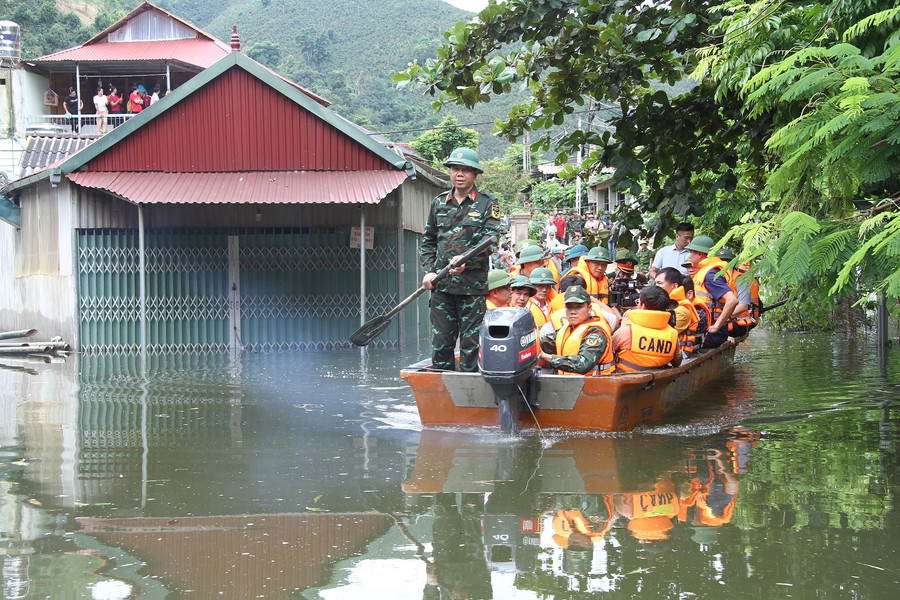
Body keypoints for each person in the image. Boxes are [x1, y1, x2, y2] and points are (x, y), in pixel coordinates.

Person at [421, 147, 500, 372]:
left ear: (475, 174)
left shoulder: (487, 203)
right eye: (456, 169)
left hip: (472, 289)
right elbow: (428, 241)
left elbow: (491, 241)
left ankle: (470, 396)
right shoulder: (438, 203)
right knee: (441, 345)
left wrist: (468, 261)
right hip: (442, 287)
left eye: (466, 170)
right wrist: (429, 271)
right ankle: (442, 398)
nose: (460, 174)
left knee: (471, 346)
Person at [539, 286, 615, 375]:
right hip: (570, 384)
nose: (573, 312)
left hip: (594, 385)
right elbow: (545, 342)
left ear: (589, 309)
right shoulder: (567, 328)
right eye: (569, 307)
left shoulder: (596, 332)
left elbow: (583, 364)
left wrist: (546, 357)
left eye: (579, 307)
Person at [612, 285, 682, 372]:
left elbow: (609, 354)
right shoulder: (673, 334)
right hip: (658, 380)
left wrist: (622, 327)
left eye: (638, 302)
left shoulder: (626, 331)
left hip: (625, 380)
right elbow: (677, 362)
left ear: (643, 306)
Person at [688, 235, 739, 349]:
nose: (689, 256)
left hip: (710, 334)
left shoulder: (710, 275)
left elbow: (732, 300)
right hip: (704, 329)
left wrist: (716, 327)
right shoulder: (705, 271)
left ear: (700, 254)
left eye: (691, 252)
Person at [655, 267, 701, 356]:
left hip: (679, 354)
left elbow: (663, 336)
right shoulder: (664, 303)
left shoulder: (682, 310)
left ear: (675, 286)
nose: (656, 287)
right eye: (655, 283)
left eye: (659, 283)